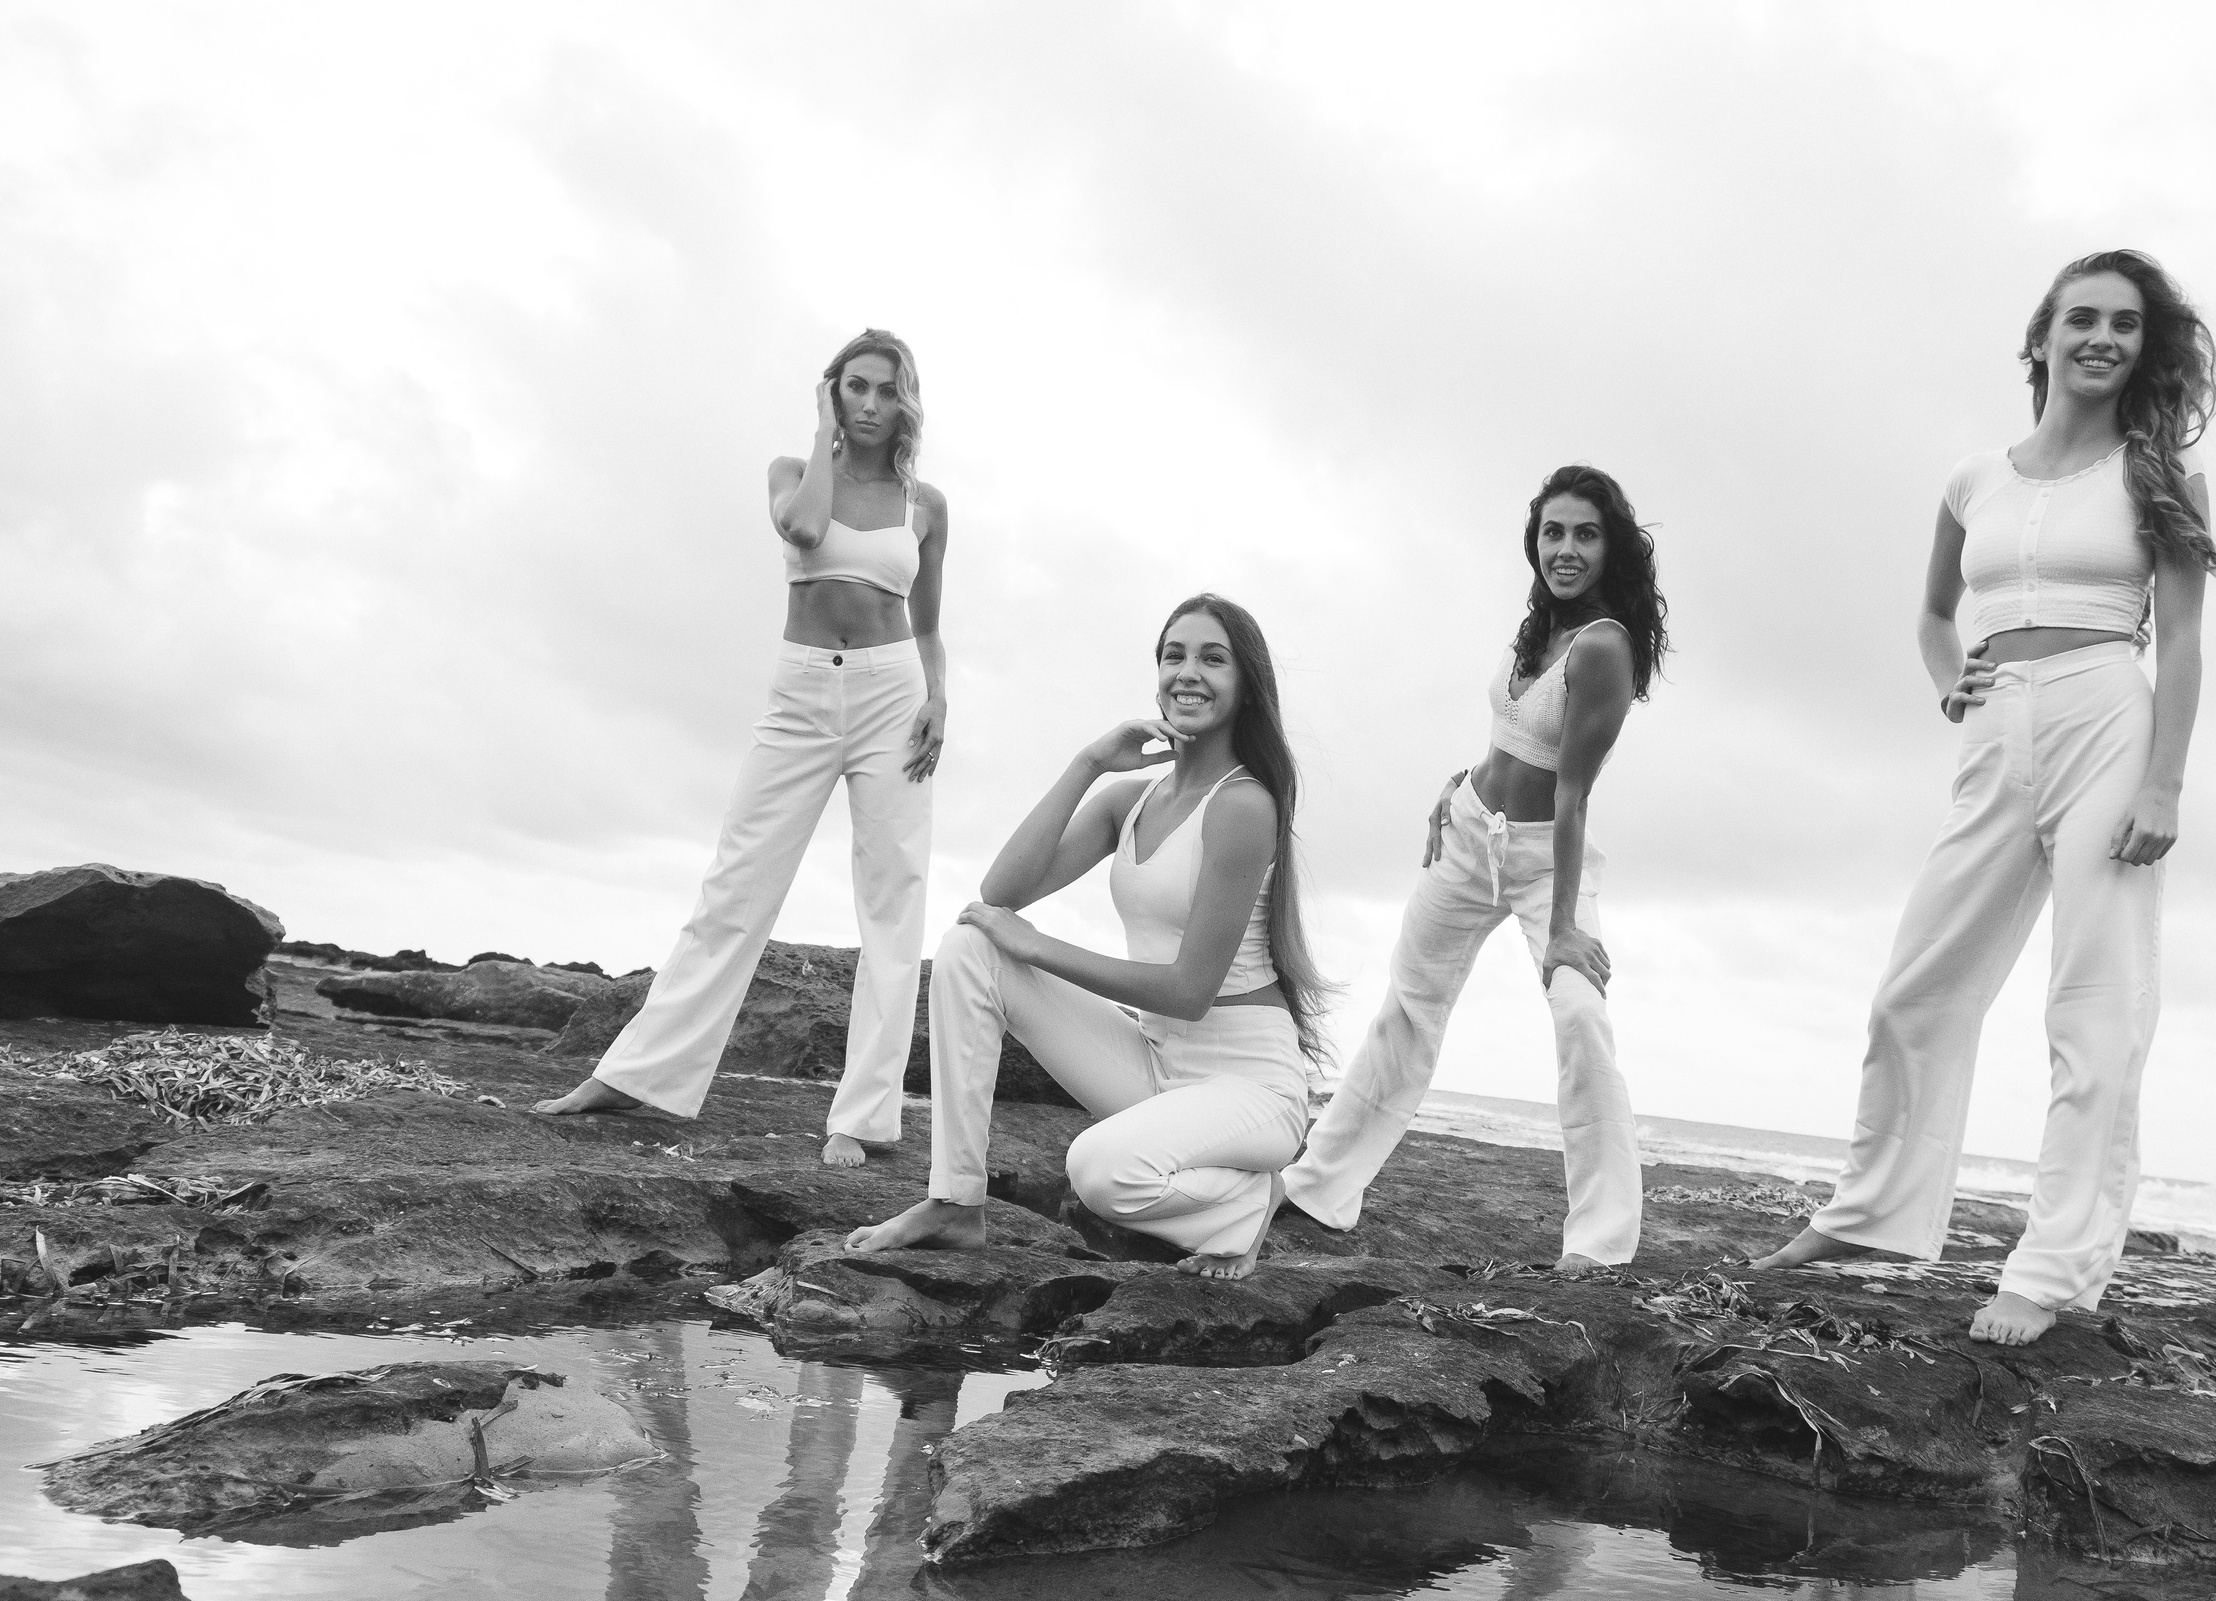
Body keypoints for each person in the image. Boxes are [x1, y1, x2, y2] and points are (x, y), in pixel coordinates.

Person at [1754, 250, 2216, 1346]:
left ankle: (2054, 1268)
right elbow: (1933, 616)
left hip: (2105, 716)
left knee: (2094, 1005)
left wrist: (2164, 782)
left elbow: (2184, 641)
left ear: (2144, 349)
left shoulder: (2159, 473)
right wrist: (1949, 685)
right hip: (1993, 730)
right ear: (2042, 337)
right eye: (2083, 318)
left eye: (2125, 324)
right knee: (1916, 987)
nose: (2101, 337)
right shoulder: (1975, 478)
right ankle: (1874, 1217)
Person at [536, 330, 948, 1165]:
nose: (870, 404)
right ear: (832, 391)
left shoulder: (926, 505)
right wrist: (824, 431)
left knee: (893, 902)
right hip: (802, 690)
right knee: (736, 883)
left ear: (905, 401)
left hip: (893, 696)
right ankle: (639, 1075)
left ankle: (861, 1118)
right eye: (855, 387)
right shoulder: (792, 473)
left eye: (886, 390)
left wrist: (940, 697)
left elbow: (930, 625)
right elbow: (805, 529)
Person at [850, 594, 1328, 1278]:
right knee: (972, 947)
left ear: (1247, 686)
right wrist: (1089, 763)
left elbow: (1189, 991)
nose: (1188, 672)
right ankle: (955, 1201)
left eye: (1213, 659)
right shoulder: (1131, 802)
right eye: (1173, 656)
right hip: (1156, 1063)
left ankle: (1249, 1202)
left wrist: (1039, 948)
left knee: (1098, 1169)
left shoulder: (1244, 805)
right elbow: (1002, 891)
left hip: (1249, 1088)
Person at [1281, 466, 1670, 1271]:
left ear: (1612, 548)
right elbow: (1513, 736)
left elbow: (1571, 793)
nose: (1565, 549)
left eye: (1585, 534)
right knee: (1407, 1008)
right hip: (1467, 836)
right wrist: (1462, 782)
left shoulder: (1603, 647)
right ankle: (1318, 1187)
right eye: (1553, 532)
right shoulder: (1539, 626)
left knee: (1579, 1014)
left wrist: (1563, 930)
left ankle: (1600, 1242)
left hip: (1544, 858)